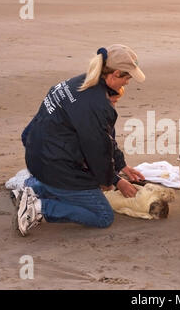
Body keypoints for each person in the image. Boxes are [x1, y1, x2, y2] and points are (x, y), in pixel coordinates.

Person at [15, 44, 146, 236]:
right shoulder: (97, 105)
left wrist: (121, 165)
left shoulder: (76, 83)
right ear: (115, 74)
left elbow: (103, 140)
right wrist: (113, 181)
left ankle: (31, 188)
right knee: (103, 216)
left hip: (36, 158)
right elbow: (97, 152)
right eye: (127, 78)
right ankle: (40, 207)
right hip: (55, 166)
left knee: (90, 178)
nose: (127, 83)